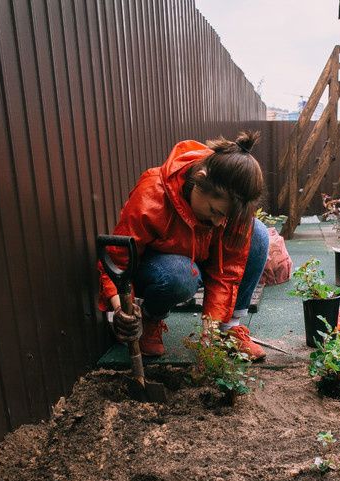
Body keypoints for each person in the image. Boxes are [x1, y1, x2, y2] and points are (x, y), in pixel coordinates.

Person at [97, 131, 270, 360]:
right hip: (160, 271)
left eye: (224, 216)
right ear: (199, 179)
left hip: (199, 259)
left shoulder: (232, 204)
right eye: (214, 211)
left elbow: (227, 271)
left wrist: (211, 328)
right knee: (181, 273)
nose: (217, 222)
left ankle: (229, 329)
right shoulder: (152, 193)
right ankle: (151, 318)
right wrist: (121, 308)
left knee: (257, 234)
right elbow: (117, 261)